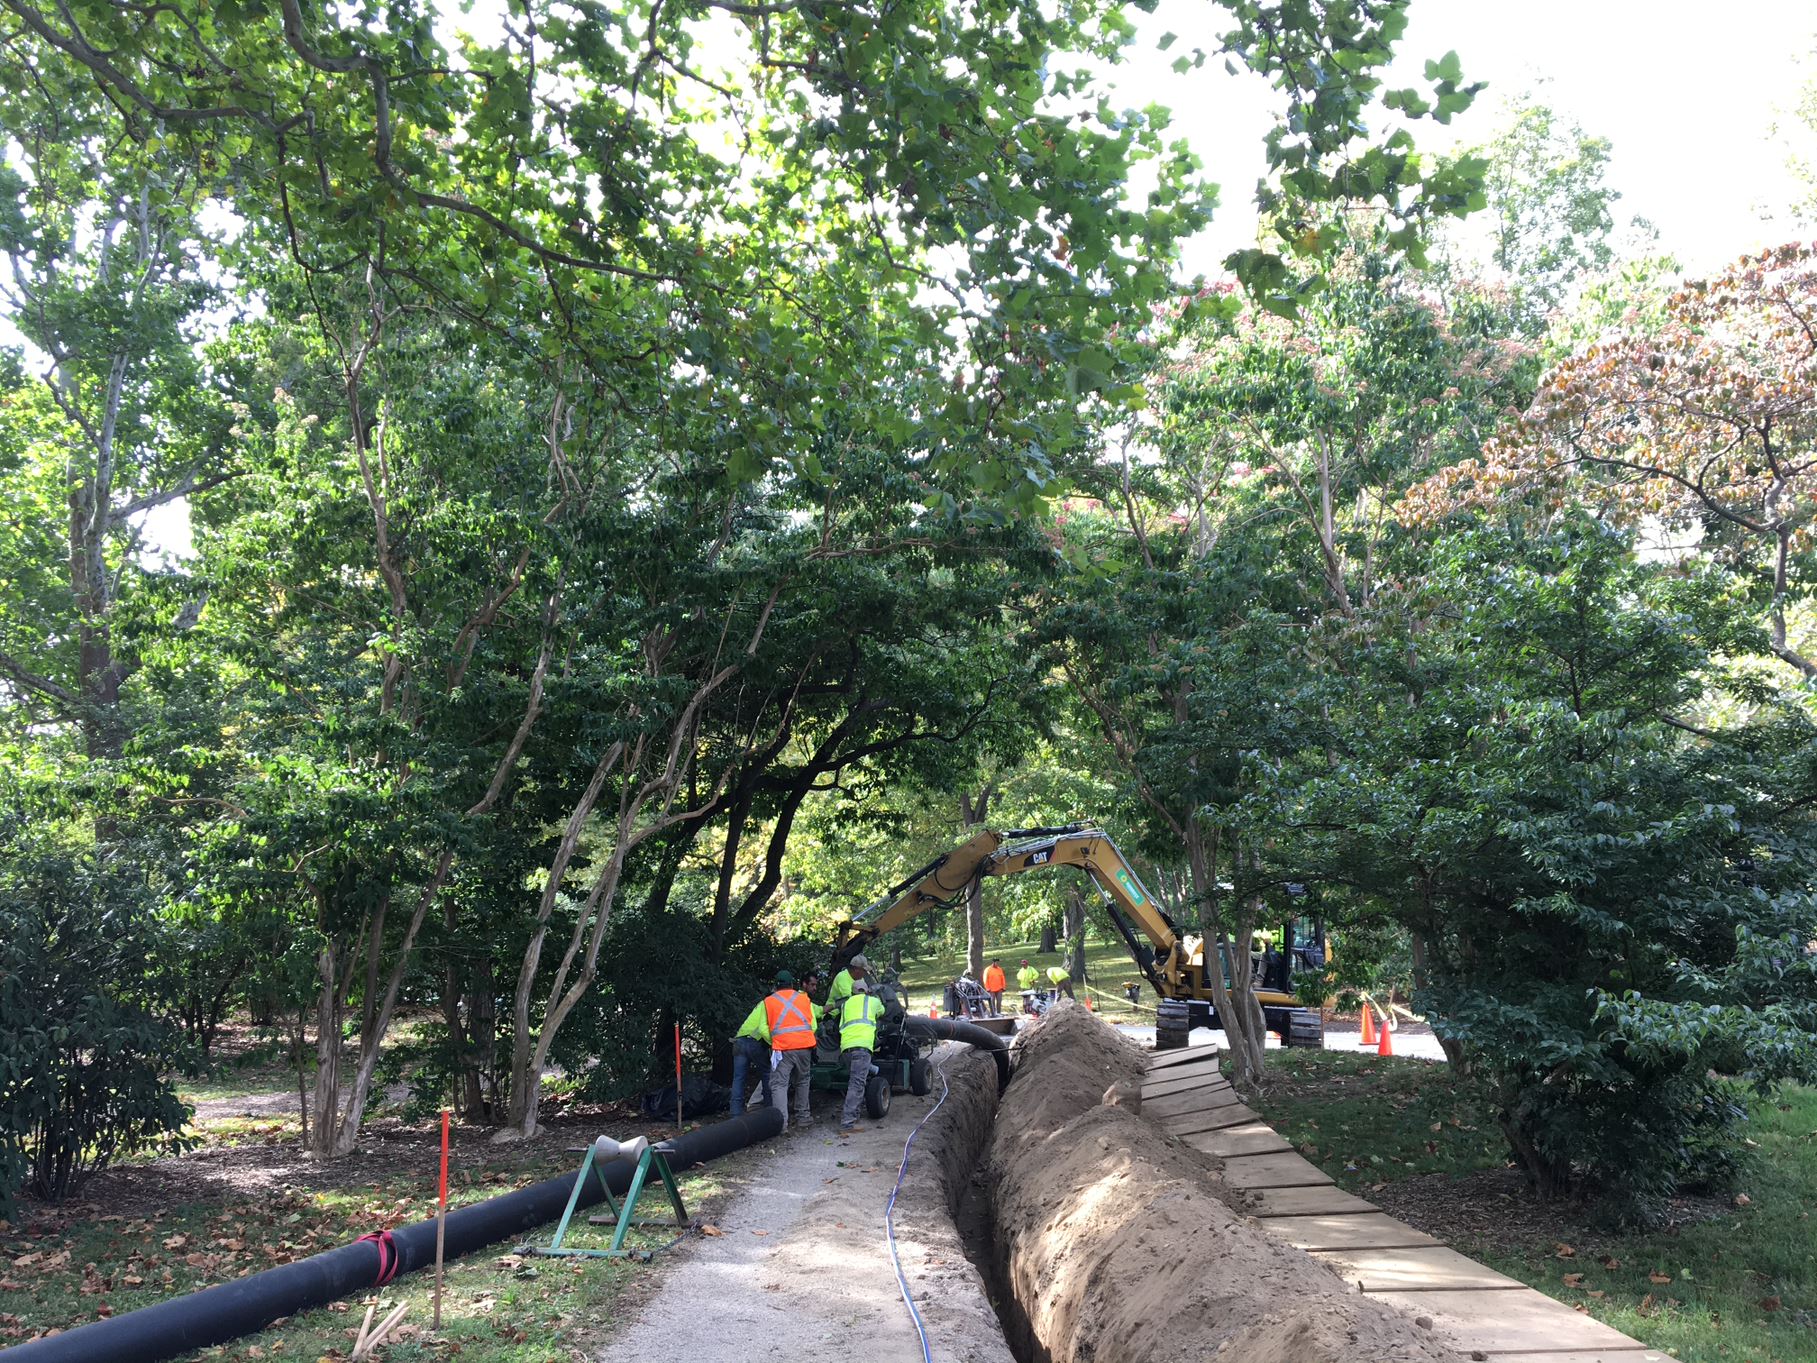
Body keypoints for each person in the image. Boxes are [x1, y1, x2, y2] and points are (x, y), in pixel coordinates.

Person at [763, 970, 819, 1130]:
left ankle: (782, 1125)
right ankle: (804, 1118)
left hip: (783, 1048)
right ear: (793, 984)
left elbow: (765, 1027)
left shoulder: (769, 1001)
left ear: (776, 985)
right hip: (805, 1046)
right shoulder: (804, 999)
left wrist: (773, 1041)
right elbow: (812, 1025)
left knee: (779, 1084)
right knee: (802, 1080)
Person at [838, 983, 883, 1132]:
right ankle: (848, 1122)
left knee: (857, 1080)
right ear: (867, 990)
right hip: (862, 1048)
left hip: (845, 1049)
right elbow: (882, 1011)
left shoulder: (845, 1004)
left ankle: (854, 1116)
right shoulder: (872, 1001)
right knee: (856, 1084)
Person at [728, 993, 772, 1116]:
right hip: (755, 1041)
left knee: (738, 1079)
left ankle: (735, 1116)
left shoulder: (761, 1004)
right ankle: (770, 1112)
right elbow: (765, 1030)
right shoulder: (773, 1005)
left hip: (739, 1041)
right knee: (767, 1074)